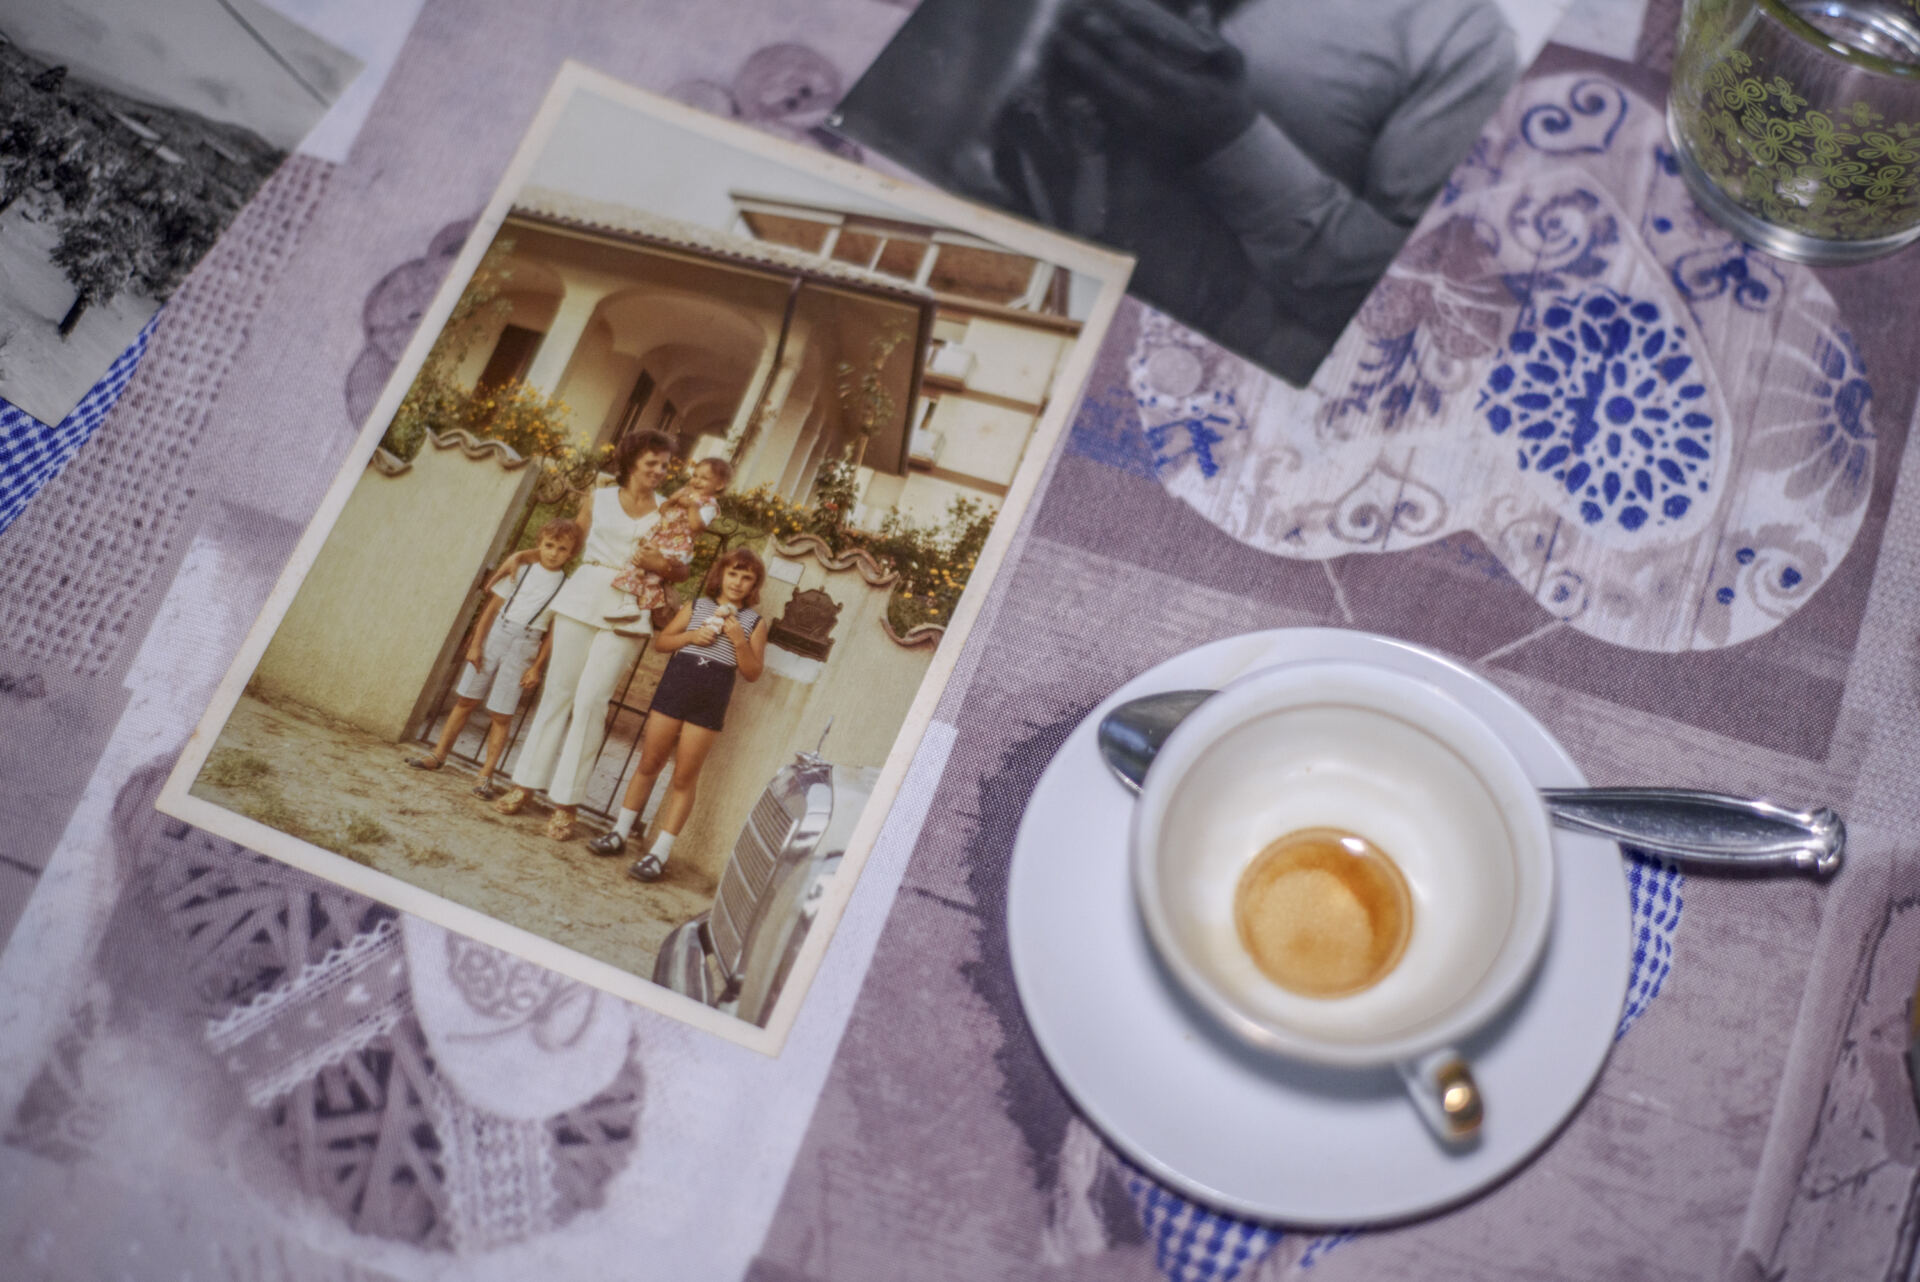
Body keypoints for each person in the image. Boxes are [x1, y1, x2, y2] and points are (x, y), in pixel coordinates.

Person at [842, 0, 1517, 384]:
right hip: (904, 275)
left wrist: (1230, 143)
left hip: (1143, 381)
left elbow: (1407, 315)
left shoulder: (1462, 39)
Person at [493, 430, 690, 841]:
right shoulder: (598, 498)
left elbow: (683, 565)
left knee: (591, 702)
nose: (660, 470)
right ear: (632, 461)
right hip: (582, 597)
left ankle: (566, 804)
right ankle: (524, 784)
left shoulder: (668, 511)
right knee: (557, 694)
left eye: (665, 465)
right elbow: (570, 542)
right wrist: (522, 555)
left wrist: (664, 566)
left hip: (628, 609)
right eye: (652, 462)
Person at [585, 548, 770, 882]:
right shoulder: (697, 606)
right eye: (733, 574)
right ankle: (619, 832)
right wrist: (692, 636)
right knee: (649, 763)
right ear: (721, 575)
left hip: (709, 701)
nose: (738, 582)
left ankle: (660, 853)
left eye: (747, 578)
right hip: (675, 689)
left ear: (754, 585)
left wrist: (738, 641)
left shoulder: (754, 623)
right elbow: (663, 643)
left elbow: (753, 672)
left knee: (684, 777)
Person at [405, 518, 580, 797]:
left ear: (571, 554)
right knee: (466, 699)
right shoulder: (521, 570)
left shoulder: (566, 588)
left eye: (562, 549)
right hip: (497, 634)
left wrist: (536, 667)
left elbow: (553, 633)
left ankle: (485, 775)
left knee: (502, 712)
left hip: (526, 643)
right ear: (539, 543)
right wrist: (476, 644)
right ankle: (438, 755)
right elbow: (491, 609)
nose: (553, 553)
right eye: (549, 545)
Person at [604, 456, 732, 627]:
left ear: (719, 485)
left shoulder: (709, 505)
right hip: (660, 539)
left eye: (704, 478)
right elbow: (663, 510)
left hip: (676, 546)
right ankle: (630, 606)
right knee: (637, 567)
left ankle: (642, 616)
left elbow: (697, 526)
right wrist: (673, 500)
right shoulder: (685, 492)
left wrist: (693, 506)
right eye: (695, 475)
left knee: (651, 576)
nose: (696, 481)